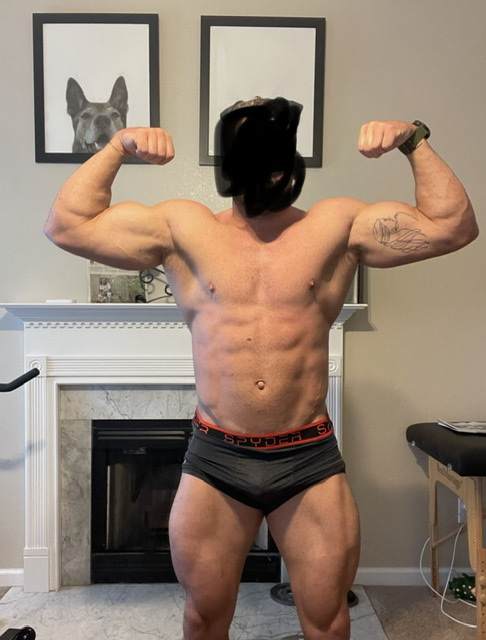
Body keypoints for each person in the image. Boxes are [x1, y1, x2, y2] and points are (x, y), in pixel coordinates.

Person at [44, 97, 478, 640]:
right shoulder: (183, 227)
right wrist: (117, 146)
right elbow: (66, 225)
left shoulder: (336, 225)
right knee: (204, 618)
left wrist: (413, 141)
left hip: (307, 460)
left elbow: (454, 226)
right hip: (217, 459)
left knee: (327, 621)